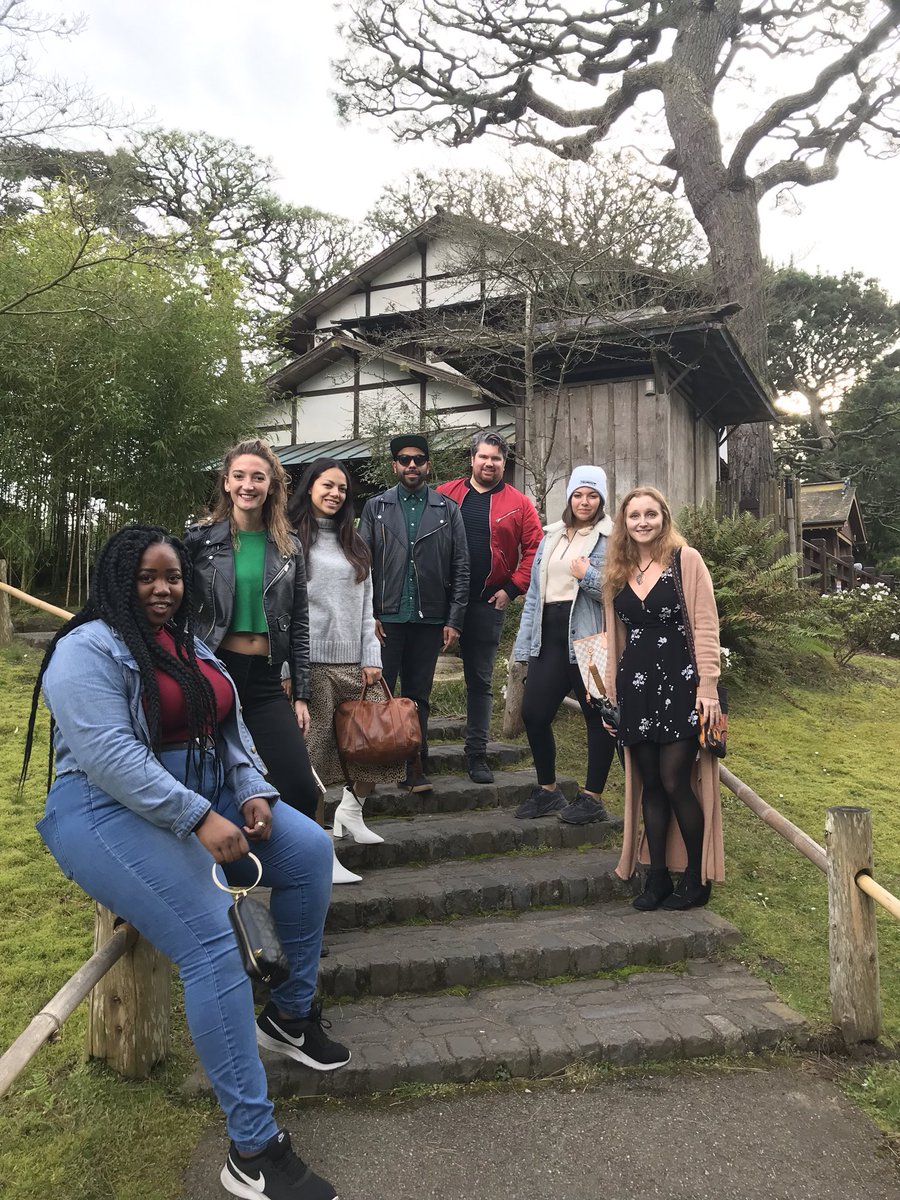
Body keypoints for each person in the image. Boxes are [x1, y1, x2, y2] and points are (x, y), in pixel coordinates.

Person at [21, 525, 347, 1200]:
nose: (163, 588)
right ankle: (252, 1148)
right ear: (118, 580)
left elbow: (226, 725)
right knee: (210, 938)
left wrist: (250, 788)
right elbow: (111, 757)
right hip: (104, 808)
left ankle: (287, 1016)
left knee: (311, 851)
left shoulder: (187, 644)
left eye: (172, 576)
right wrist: (197, 817)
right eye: (147, 577)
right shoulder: (85, 649)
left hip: (206, 790)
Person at [183, 438, 321, 821]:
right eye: (239, 476)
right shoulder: (199, 541)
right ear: (226, 482)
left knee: (300, 788)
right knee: (207, 779)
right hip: (213, 671)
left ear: (272, 485)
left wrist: (302, 694)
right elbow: (178, 607)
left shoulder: (289, 547)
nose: (248, 485)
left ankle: (283, 853)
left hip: (265, 682)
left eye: (258, 477)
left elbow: (300, 623)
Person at [602, 486, 725, 911]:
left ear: (664, 518)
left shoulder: (685, 560)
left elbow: (706, 626)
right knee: (650, 785)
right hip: (635, 687)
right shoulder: (617, 569)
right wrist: (611, 697)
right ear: (624, 522)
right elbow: (614, 637)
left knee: (675, 781)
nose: (642, 522)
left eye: (650, 514)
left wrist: (707, 687)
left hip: (681, 683)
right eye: (634, 515)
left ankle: (696, 877)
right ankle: (656, 878)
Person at [288, 458, 399, 878]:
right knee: (313, 763)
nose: (335, 494)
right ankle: (322, 854)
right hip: (310, 665)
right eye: (327, 485)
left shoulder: (355, 543)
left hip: (355, 663)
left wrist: (372, 656)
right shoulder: (290, 540)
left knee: (382, 745)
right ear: (309, 487)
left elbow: (368, 607)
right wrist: (287, 668)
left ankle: (351, 812)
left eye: (341, 488)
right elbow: (280, 610)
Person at [358, 434, 469, 794]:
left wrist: (454, 619)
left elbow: (461, 567)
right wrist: (369, 615)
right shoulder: (375, 508)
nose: (411, 465)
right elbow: (361, 566)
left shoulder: (447, 509)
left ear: (427, 465)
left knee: (418, 696)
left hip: (430, 618)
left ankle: (414, 766)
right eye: (404, 459)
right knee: (379, 693)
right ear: (394, 465)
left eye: (418, 459)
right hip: (386, 618)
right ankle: (374, 766)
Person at [437, 429, 544, 784]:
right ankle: (413, 754)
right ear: (472, 459)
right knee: (418, 678)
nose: (489, 463)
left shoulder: (519, 503)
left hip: (486, 602)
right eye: (483, 456)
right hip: (441, 603)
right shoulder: (445, 495)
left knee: (480, 681)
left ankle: (476, 754)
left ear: (504, 463)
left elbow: (536, 549)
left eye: (496, 458)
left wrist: (512, 589)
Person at [512, 466, 618, 824]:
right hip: (549, 637)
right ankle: (548, 791)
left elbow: (616, 590)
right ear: (570, 497)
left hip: (590, 640)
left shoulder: (611, 537)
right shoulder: (551, 536)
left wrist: (586, 575)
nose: (584, 501)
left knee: (598, 717)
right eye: (578, 494)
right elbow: (533, 596)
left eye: (592, 495)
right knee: (534, 713)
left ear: (602, 499)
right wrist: (523, 648)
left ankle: (592, 798)